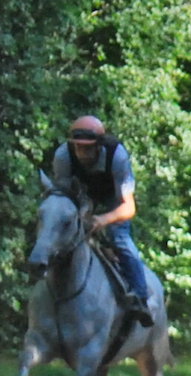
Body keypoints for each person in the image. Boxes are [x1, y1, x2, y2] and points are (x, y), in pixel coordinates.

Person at [44, 115, 152, 325]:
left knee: (120, 239)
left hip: (114, 200)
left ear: (99, 145)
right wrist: (80, 215)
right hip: (81, 197)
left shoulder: (117, 156)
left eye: (88, 148)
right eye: (78, 147)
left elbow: (129, 206)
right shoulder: (63, 156)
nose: (82, 153)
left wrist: (102, 220)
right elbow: (63, 196)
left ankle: (140, 297)